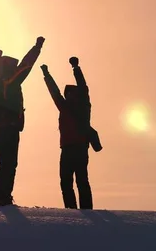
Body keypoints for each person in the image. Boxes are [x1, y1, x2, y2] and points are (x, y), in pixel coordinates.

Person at [0, 36, 45, 207]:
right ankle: (2, 196)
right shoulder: (11, 81)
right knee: (10, 163)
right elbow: (27, 65)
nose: (16, 68)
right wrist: (37, 48)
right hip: (9, 127)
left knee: (4, 162)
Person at [40, 56, 96, 209]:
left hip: (79, 147)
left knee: (81, 180)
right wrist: (46, 75)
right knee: (66, 181)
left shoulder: (83, 106)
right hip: (66, 148)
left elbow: (83, 86)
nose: (69, 95)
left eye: (71, 93)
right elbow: (54, 92)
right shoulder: (63, 106)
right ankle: (71, 211)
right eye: (67, 93)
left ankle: (86, 210)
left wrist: (76, 68)